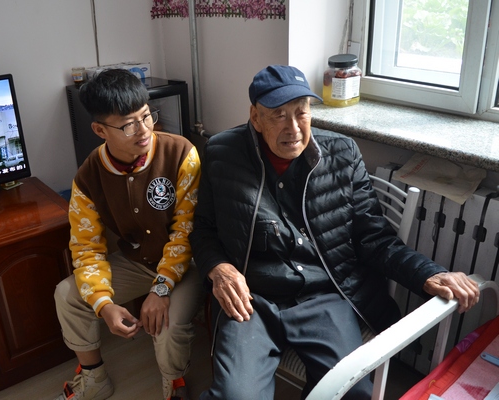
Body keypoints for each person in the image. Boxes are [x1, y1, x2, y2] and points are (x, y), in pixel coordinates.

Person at [188, 65, 480, 400]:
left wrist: (429, 273)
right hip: (253, 299)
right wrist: (219, 268)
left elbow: (376, 239)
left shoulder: (342, 153)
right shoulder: (222, 153)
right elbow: (204, 229)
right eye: (278, 115)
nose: (293, 128)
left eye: (301, 112)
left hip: (324, 295)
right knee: (235, 396)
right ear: (255, 117)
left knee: (351, 394)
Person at [54, 69, 204, 400]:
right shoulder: (88, 176)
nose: (144, 130)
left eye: (146, 116)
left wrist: (162, 288)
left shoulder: (181, 153)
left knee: (167, 323)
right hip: (137, 262)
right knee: (67, 294)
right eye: (128, 125)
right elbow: (86, 247)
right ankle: (94, 379)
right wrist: (103, 303)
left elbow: (186, 231)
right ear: (99, 130)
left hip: (186, 264)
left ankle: (174, 385)